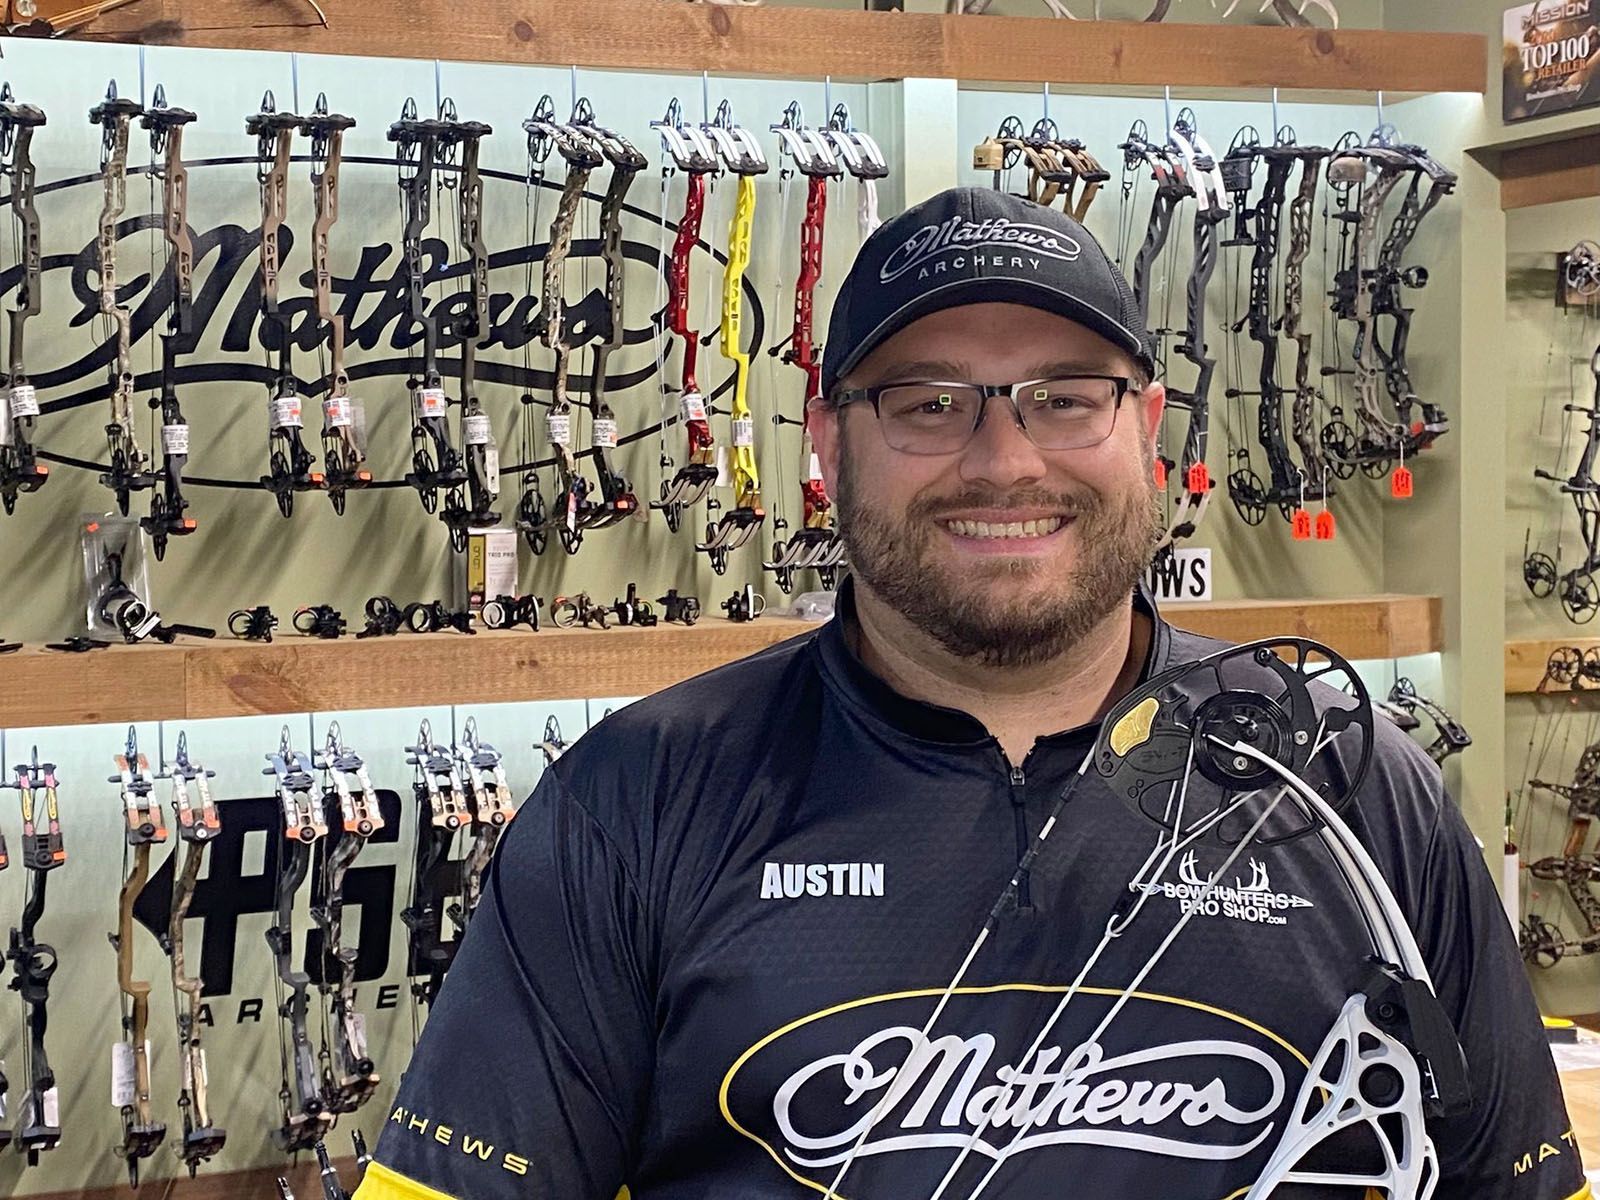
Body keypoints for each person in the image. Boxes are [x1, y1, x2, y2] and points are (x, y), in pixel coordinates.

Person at [352, 188, 1588, 1200]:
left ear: (1148, 430)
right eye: (930, 404)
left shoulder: (1352, 789)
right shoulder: (634, 800)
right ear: (827, 444)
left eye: (1066, 398)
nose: (1005, 461)